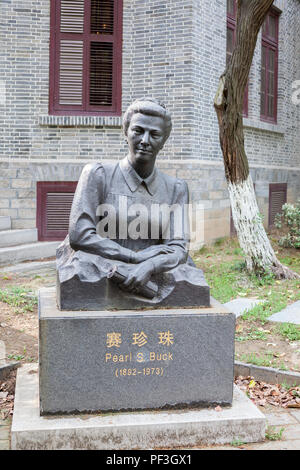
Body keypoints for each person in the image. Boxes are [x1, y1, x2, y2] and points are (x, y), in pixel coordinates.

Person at [57, 98, 209, 310]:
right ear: (126, 132)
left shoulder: (176, 188)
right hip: (102, 267)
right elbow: (80, 235)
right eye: (138, 131)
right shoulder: (97, 174)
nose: (145, 140)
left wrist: (149, 266)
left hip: (153, 274)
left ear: (163, 140)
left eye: (154, 134)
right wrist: (132, 257)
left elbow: (178, 248)